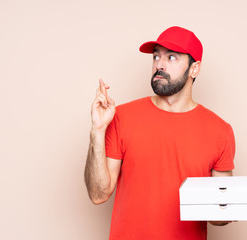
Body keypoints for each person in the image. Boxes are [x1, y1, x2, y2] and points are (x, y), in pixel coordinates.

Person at [84, 26, 236, 240]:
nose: (160, 65)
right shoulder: (121, 117)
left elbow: (220, 215)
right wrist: (97, 130)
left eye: (172, 58)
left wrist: (232, 207)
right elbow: (98, 194)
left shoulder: (220, 131)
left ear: (194, 69)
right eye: (156, 56)